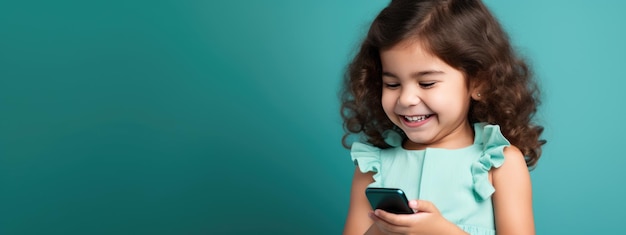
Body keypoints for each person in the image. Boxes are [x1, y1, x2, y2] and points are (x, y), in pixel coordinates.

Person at [339, 0, 546, 234]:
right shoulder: (372, 168)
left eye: (427, 83)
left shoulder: (499, 164)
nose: (406, 99)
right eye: (392, 84)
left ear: (478, 82)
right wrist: (381, 229)